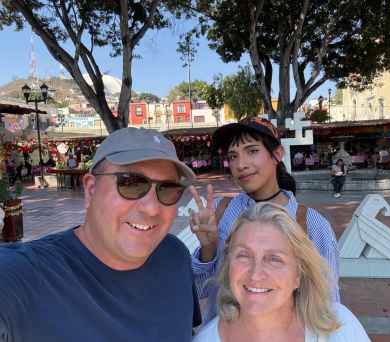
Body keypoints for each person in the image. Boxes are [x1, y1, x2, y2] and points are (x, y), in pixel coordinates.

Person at [0, 127, 201, 342]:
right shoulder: (23, 276)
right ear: (91, 189)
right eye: (131, 183)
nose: (151, 208)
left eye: (168, 188)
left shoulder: (174, 255)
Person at [190, 117, 339, 323]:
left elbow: (328, 302)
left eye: (252, 151)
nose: (240, 164)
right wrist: (208, 248)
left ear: (277, 154)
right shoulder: (218, 213)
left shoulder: (312, 225)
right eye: (233, 156)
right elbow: (200, 292)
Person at [193, 202, 370, 342]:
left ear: (299, 275)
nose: (256, 275)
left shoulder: (339, 326)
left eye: (274, 259)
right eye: (244, 255)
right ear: (228, 266)